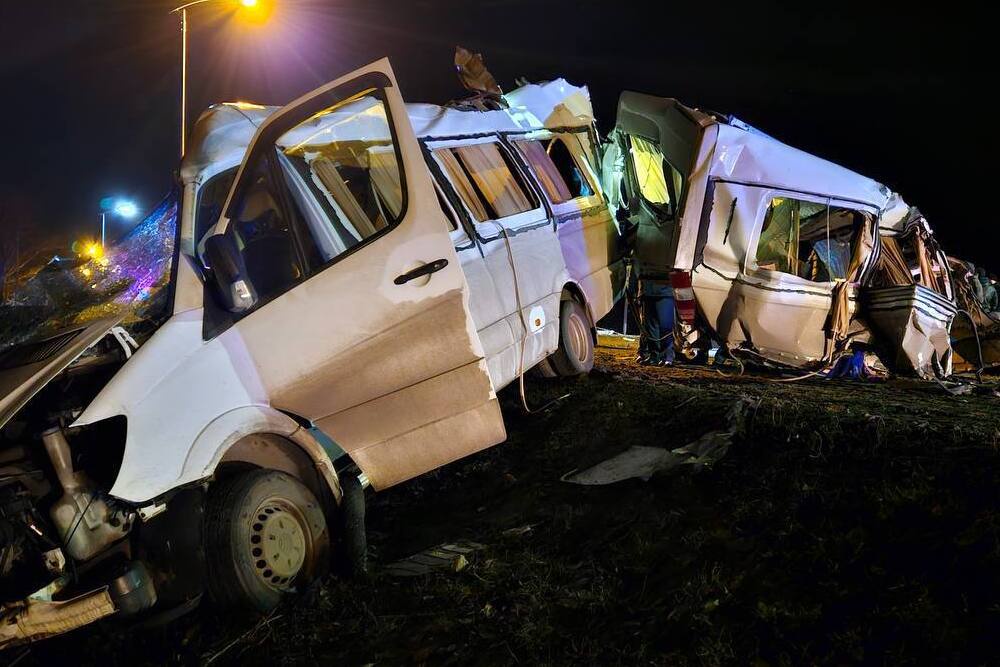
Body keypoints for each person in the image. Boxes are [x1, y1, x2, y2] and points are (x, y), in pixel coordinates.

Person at [636, 277, 675, 365]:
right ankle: (655, 356)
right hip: (649, 291)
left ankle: (666, 356)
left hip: (664, 291)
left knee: (665, 327)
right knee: (651, 327)